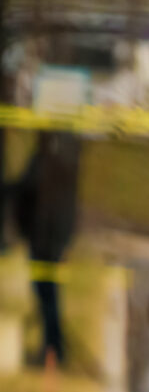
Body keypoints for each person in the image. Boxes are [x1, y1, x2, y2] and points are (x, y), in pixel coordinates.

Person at [10, 132, 84, 370]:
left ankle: (53, 352)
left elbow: (34, 189)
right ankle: (51, 349)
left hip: (47, 240)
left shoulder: (55, 158)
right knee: (45, 297)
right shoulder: (50, 156)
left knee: (48, 297)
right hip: (44, 238)